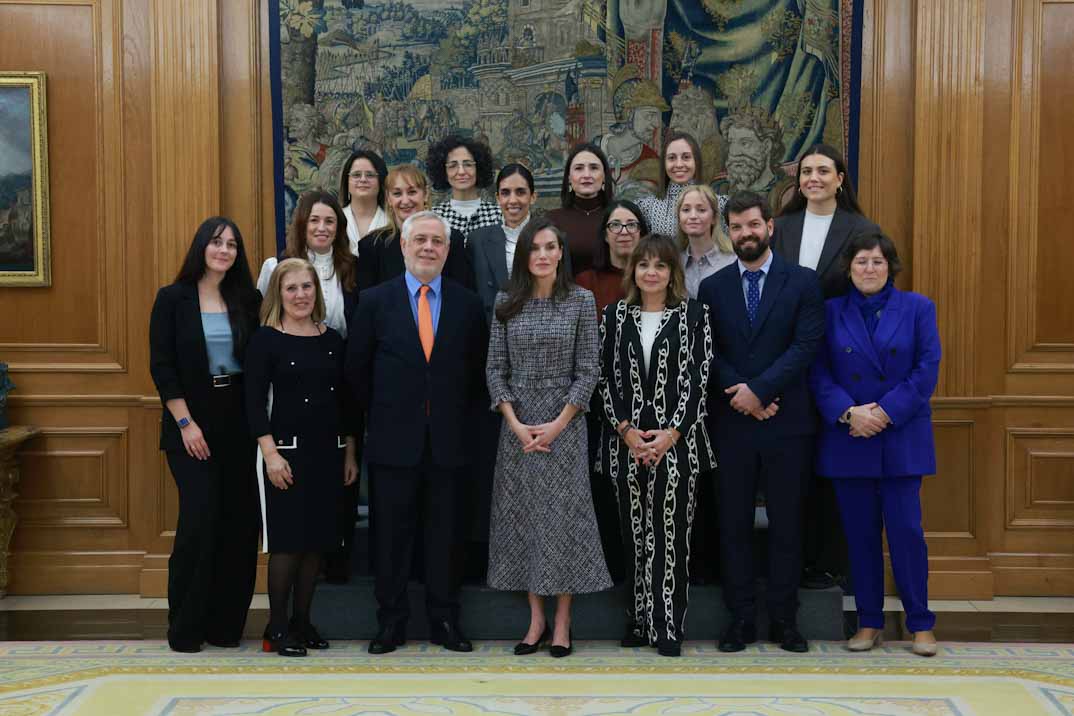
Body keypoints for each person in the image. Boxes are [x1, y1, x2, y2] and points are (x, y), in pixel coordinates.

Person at [346, 211, 488, 655]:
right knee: (390, 537)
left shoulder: (467, 304)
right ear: (404, 247)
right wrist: (387, 416)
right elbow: (357, 373)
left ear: (448, 251)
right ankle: (391, 622)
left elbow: (476, 375)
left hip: (450, 443)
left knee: (445, 537)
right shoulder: (373, 301)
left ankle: (445, 620)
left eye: (437, 242)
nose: (429, 248)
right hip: (393, 442)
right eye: (420, 240)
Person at [697, 191, 825, 654]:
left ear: (770, 226)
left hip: (788, 422)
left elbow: (805, 346)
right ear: (727, 233)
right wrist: (744, 397)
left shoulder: (803, 283)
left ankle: (785, 621)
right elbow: (708, 353)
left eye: (753, 224)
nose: (745, 233)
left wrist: (763, 392)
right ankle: (741, 619)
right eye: (736, 227)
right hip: (731, 424)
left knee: (788, 524)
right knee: (732, 526)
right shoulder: (712, 289)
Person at [809, 232, 940, 657]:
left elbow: (926, 369)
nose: (869, 269)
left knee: (906, 534)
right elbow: (819, 373)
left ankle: (920, 624)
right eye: (861, 261)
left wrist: (883, 412)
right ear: (848, 268)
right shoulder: (829, 312)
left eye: (877, 262)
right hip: (851, 437)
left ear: (891, 267)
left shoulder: (919, 308)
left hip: (900, 436)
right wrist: (851, 413)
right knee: (859, 539)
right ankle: (868, 623)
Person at [486, 218, 612, 658]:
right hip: (517, 429)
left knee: (563, 523)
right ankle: (535, 619)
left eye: (550, 247)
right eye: (534, 247)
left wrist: (558, 422)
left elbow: (589, 370)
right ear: (524, 255)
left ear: (561, 253)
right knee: (523, 521)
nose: (542, 254)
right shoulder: (507, 301)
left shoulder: (580, 300)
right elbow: (494, 370)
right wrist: (516, 422)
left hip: (566, 426)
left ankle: (562, 622)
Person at [597, 235, 715, 657]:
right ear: (633, 271)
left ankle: (668, 624)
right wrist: (626, 430)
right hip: (625, 444)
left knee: (671, 535)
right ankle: (638, 619)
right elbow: (603, 379)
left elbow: (698, 380)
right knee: (634, 536)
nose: (651, 272)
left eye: (660, 266)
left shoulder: (694, 316)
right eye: (643, 265)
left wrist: (669, 434)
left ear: (672, 273)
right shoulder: (614, 316)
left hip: (678, 446)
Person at [148, 217, 261, 653]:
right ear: (201, 247)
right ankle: (186, 627)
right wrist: (185, 422)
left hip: (238, 421)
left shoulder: (247, 300)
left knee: (239, 523)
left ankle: (225, 625)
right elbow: (162, 366)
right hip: (189, 422)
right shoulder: (172, 299)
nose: (224, 250)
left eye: (232, 244)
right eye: (216, 242)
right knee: (199, 520)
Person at [774, 144, 881, 590]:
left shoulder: (862, 229)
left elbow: (873, 293)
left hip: (843, 362)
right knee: (794, 466)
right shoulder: (780, 228)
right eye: (806, 172)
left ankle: (833, 565)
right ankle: (793, 563)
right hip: (788, 361)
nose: (813, 178)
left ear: (840, 178)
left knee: (836, 464)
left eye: (823, 170)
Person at [245, 259, 359, 657]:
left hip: (328, 452)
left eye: (307, 287)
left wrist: (349, 451)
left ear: (317, 291)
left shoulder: (333, 340)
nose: (300, 295)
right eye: (291, 288)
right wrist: (270, 455)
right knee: (288, 545)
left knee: (316, 544)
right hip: (285, 455)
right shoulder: (265, 340)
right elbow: (254, 404)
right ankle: (276, 629)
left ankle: (302, 622)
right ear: (279, 293)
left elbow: (345, 403)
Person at [257, 190, 359, 338]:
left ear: (338, 228)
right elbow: (265, 319)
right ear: (302, 224)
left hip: (342, 357)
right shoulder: (275, 267)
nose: (322, 228)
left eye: (329, 221)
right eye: (314, 220)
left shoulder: (354, 267)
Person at [355, 165, 474, 292]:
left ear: (426, 194)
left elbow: (462, 296)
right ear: (389, 199)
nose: (405, 201)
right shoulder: (371, 246)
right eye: (397, 194)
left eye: (412, 192)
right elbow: (366, 303)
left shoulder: (452, 239)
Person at [468, 163, 539, 323]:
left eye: (520, 192)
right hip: (491, 331)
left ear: (533, 197)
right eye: (505, 193)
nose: (512, 200)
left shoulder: (552, 237)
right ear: (498, 198)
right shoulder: (477, 240)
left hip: (540, 332)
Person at [547, 143, 615, 274]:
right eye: (579, 168)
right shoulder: (552, 220)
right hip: (565, 293)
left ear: (605, 176)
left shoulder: (618, 217)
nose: (587, 174)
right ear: (568, 177)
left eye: (594, 168)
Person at [575, 199, 649, 314]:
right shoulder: (585, 282)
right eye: (615, 225)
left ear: (641, 234)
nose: (624, 232)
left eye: (631, 224)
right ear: (605, 235)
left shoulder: (653, 278)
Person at [428, 134, 502, 238]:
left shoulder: (498, 215)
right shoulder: (433, 217)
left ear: (479, 168)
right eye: (453, 166)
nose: (461, 172)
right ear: (444, 172)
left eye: (468, 164)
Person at [637, 130, 706, 238]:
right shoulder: (647, 207)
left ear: (696, 161)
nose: (679, 164)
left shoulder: (716, 204)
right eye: (672, 158)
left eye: (686, 157)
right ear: (664, 163)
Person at [678, 184, 736, 300]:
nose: (693, 216)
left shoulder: (733, 261)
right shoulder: (674, 262)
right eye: (686, 210)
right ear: (679, 218)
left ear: (714, 218)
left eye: (701, 210)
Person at [338, 149, 389, 254]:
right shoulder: (335, 219)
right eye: (356, 175)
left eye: (370, 175)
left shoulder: (392, 222)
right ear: (347, 181)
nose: (363, 180)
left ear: (381, 181)